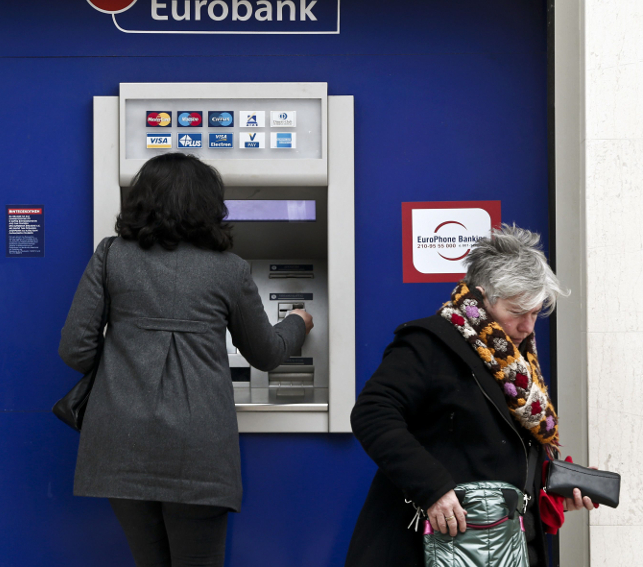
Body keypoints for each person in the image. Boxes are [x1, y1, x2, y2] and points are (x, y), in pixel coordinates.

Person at [58, 152, 314, 567]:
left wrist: (129, 355)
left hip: (120, 443)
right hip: (199, 449)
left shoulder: (111, 255)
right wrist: (298, 322)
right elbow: (266, 354)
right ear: (208, 206)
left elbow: (75, 349)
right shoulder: (230, 269)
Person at [345, 225, 594, 567]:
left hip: (506, 546)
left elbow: (500, 451)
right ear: (481, 297)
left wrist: (548, 492)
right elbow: (372, 413)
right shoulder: (429, 344)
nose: (528, 327)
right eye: (517, 312)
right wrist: (432, 489)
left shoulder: (515, 361)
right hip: (437, 547)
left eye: (535, 312)